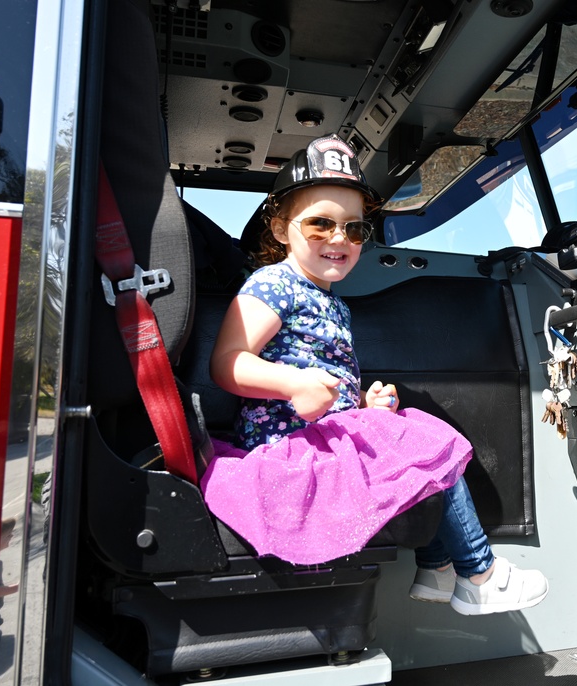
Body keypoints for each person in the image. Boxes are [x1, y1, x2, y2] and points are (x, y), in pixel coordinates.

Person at [201, 134, 548, 616]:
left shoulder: (332, 301)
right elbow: (228, 362)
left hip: (323, 434)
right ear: (282, 229)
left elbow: (325, 377)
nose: (339, 239)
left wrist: (362, 405)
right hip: (288, 446)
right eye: (320, 224)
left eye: (355, 229)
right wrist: (291, 384)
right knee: (424, 439)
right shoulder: (273, 283)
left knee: (406, 436)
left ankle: (437, 567)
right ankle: (478, 574)